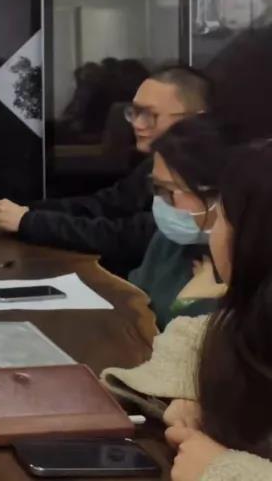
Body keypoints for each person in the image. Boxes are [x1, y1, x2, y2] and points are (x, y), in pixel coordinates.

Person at [101, 141, 272, 480]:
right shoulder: (247, 326)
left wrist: (221, 469)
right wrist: (188, 393)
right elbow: (196, 335)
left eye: (222, 216)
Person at [0, 67, 210, 276]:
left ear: (196, 118)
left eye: (150, 115)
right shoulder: (152, 163)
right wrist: (28, 209)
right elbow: (105, 205)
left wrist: (30, 222)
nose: (137, 124)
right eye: (134, 112)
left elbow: (125, 237)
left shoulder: (208, 175)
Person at [131, 114, 227, 329]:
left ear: (219, 194)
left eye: (168, 190)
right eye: (156, 187)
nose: (161, 201)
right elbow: (134, 302)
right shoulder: (170, 240)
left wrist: (184, 305)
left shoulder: (251, 264)